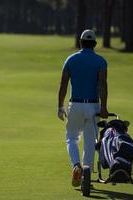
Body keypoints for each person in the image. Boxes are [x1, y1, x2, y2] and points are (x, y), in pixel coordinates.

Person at [57, 29, 109, 187]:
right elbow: (102, 85)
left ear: (80, 42)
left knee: (71, 138)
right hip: (93, 105)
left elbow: (63, 84)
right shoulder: (100, 61)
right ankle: (86, 176)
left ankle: (76, 166)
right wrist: (104, 107)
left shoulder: (71, 59)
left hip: (76, 104)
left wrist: (60, 106)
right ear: (94, 44)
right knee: (90, 142)